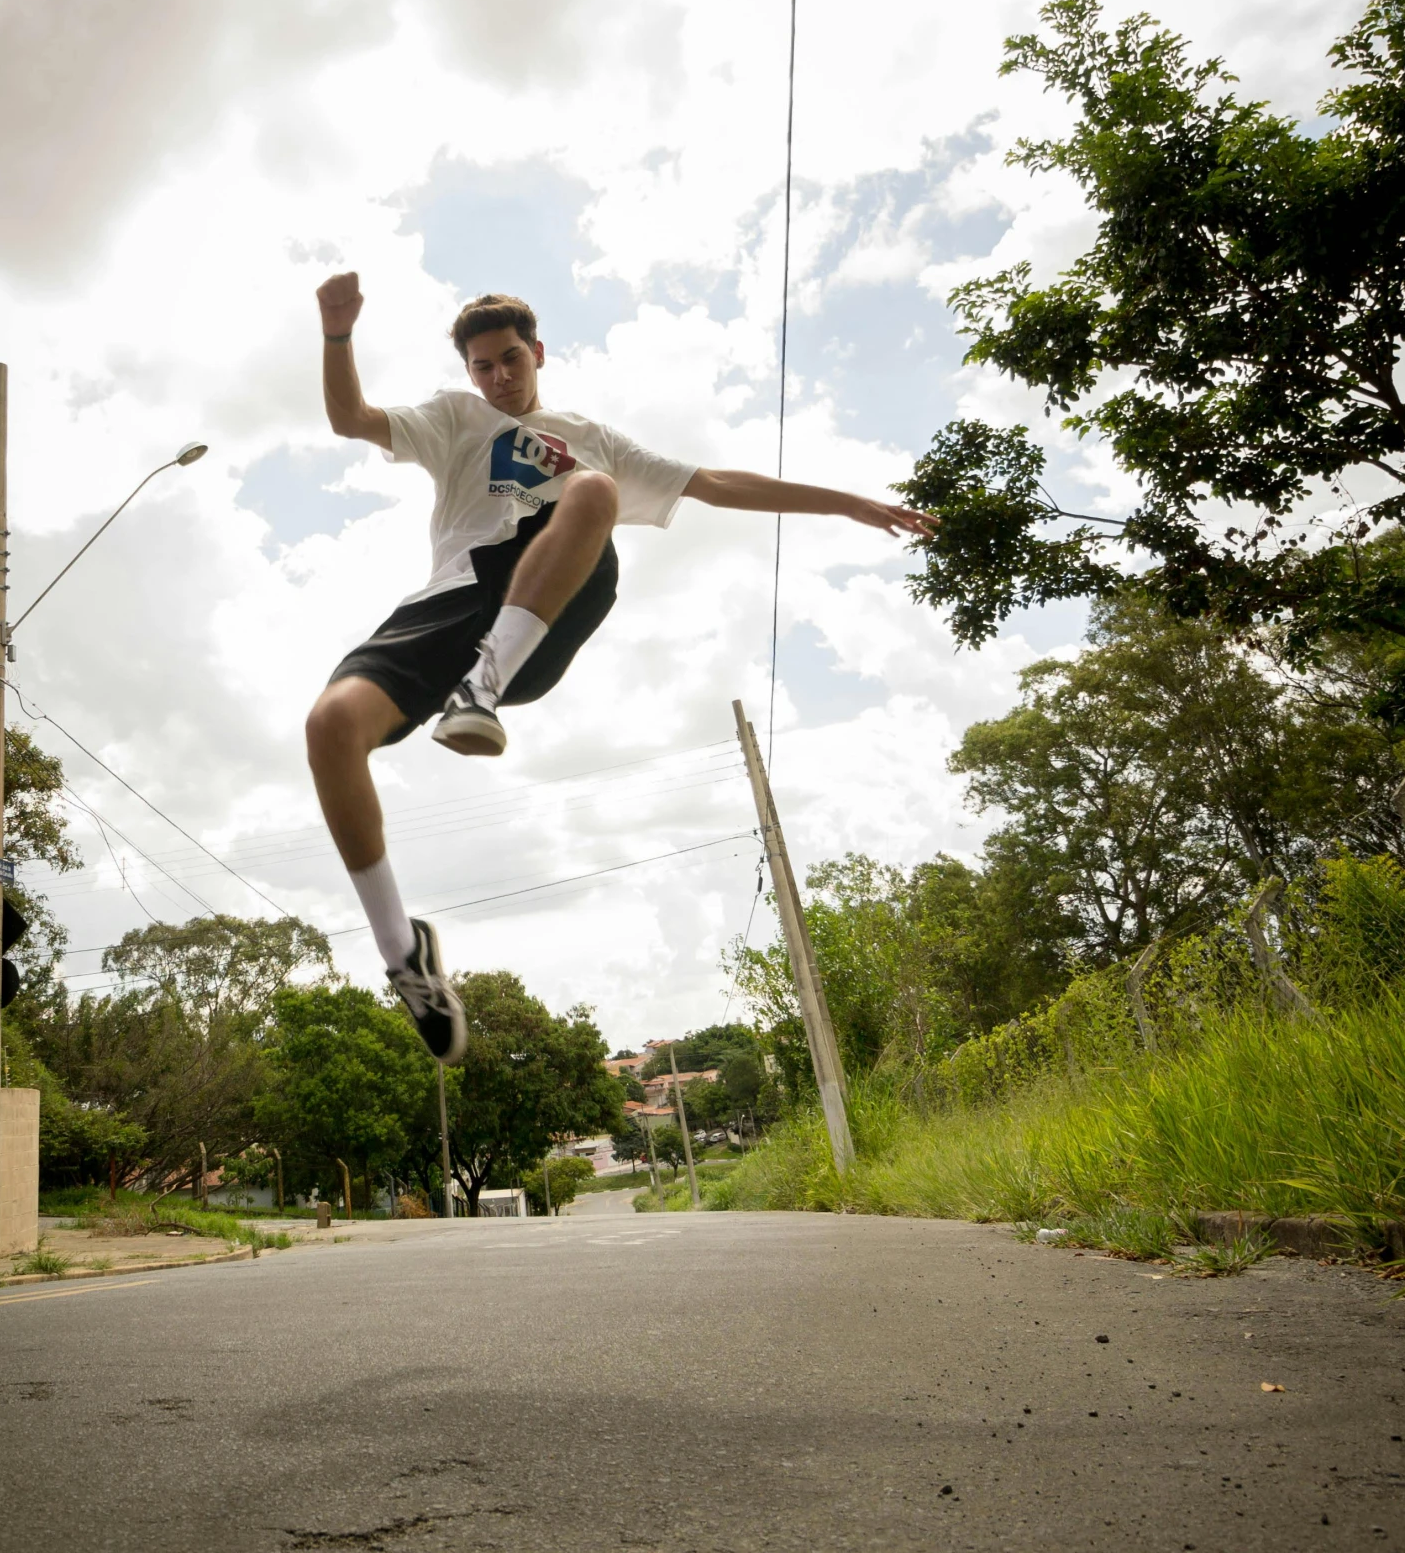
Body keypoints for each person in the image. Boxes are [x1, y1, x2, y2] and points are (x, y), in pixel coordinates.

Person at [305, 272, 938, 1064]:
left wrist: (848, 503)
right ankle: (406, 956)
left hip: (546, 606)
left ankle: (486, 684)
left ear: (537, 353)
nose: (499, 379)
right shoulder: (450, 417)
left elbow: (715, 483)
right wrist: (338, 334)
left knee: (595, 488)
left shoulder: (591, 435)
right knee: (330, 727)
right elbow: (350, 418)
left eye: (510, 361)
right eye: (484, 368)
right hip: (452, 600)